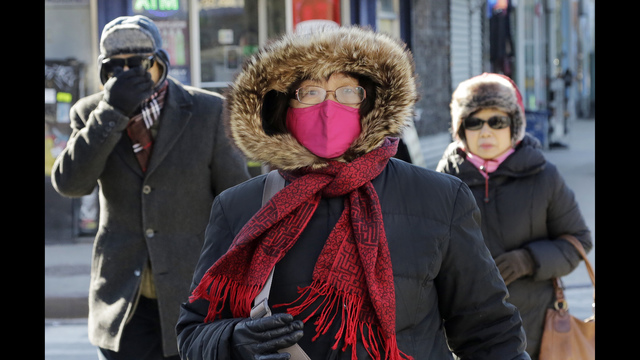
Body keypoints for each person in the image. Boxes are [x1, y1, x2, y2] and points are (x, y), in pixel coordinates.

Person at [176, 27, 531, 360]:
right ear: (282, 108)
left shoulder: (439, 197)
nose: (329, 109)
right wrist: (233, 340)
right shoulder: (241, 206)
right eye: (309, 92)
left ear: (372, 102)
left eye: (348, 91)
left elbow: (489, 331)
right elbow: (194, 333)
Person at [51, 15, 250, 360]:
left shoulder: (208, 111)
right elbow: (71, 184)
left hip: (193, 295)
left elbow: (237, 202)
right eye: (117, 66)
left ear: (161, 62)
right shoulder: (91, 113)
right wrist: (112, 111)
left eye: (140, 64)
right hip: (123, 300)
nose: (130, 74)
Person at [436, 72, 592, 359]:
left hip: (535, 329)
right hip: (465, 332)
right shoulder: (442, 180)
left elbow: (579, 240)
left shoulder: (543, 175)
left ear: (514, 125)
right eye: (474, 122)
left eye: (497, 121)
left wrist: (529, 260)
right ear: (461, 128)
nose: (485, 132)